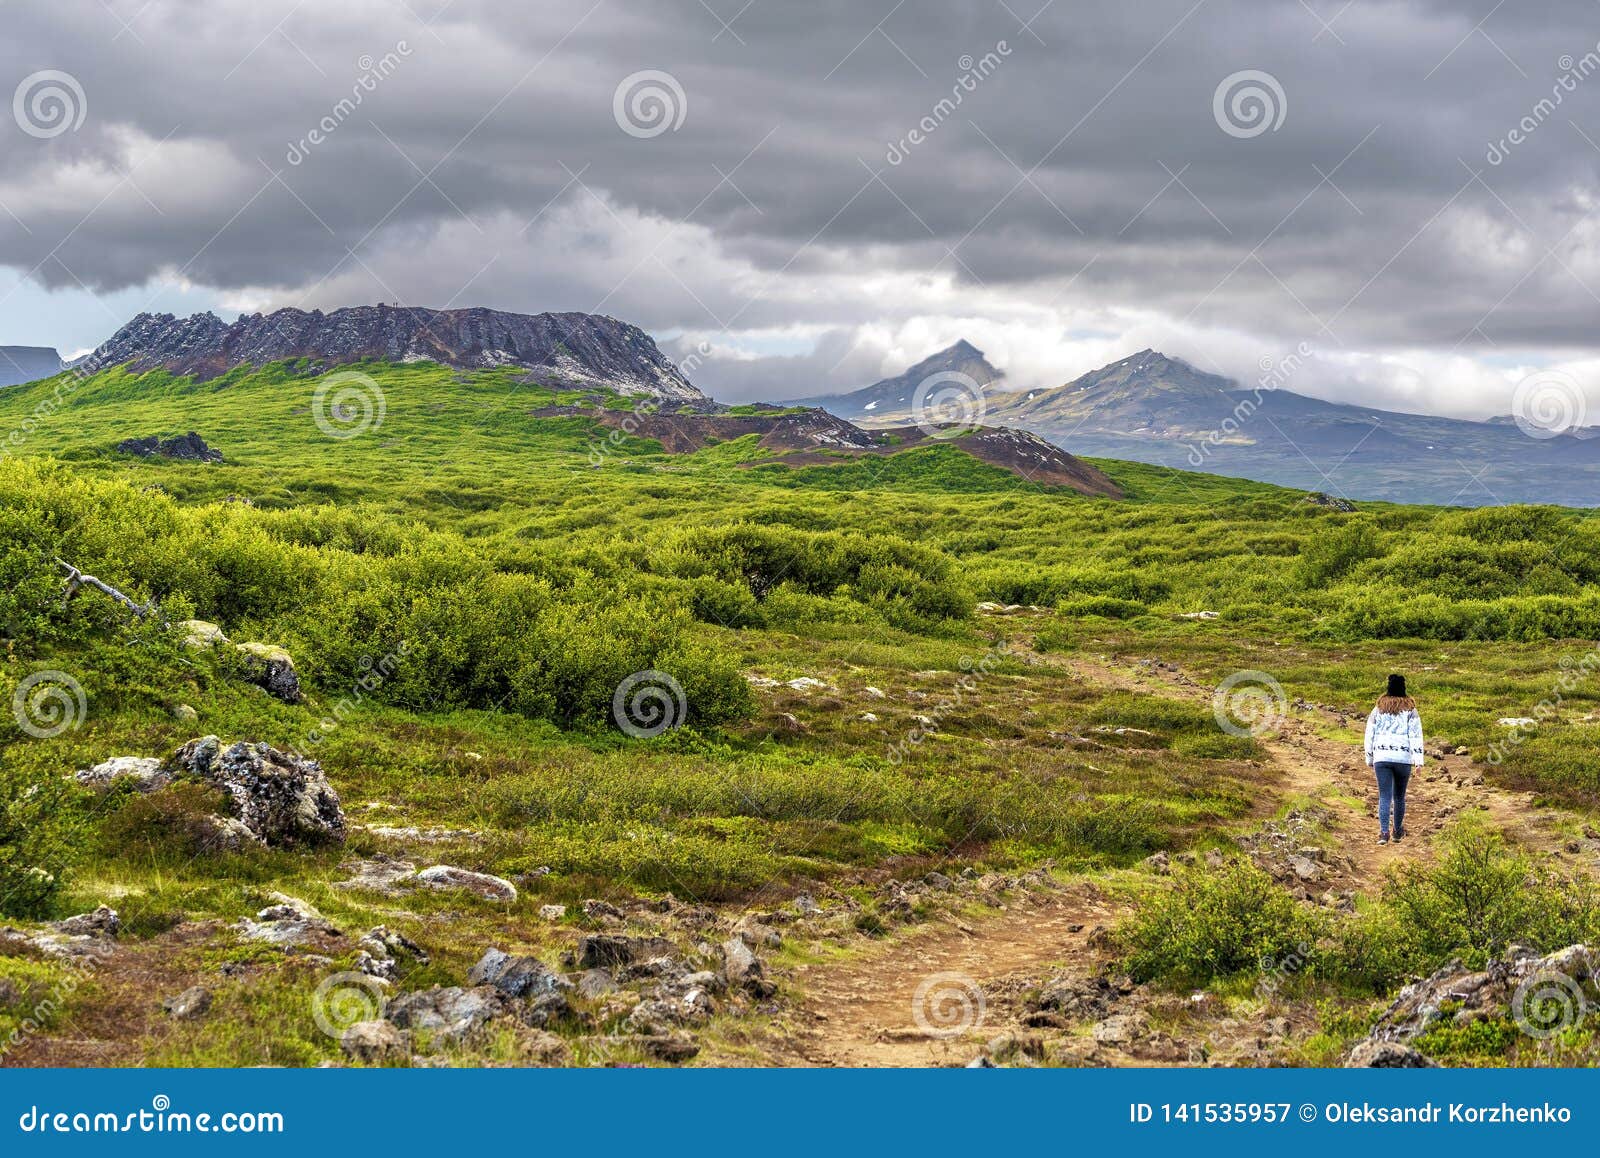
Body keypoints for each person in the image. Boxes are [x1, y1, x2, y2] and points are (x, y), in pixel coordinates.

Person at [1364, 673, 1424, 845]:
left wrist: (1369, 757)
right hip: (1403, 758)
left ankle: (1384, 833)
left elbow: (1370, 734)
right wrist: (1418, 761)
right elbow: (1416, 735)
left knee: (1384, 796)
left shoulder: (1378, 709)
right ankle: (1397, 831)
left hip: (1381, 757)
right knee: (1399, 797)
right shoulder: (1411, 710)